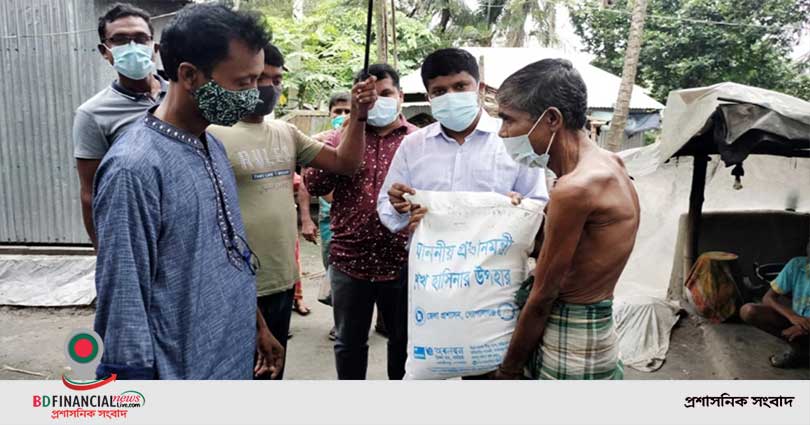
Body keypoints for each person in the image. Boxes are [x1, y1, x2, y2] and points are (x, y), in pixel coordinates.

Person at [92, 4, 283, 380]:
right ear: (190, 75)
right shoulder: (134, 168)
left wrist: (257, 326)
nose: (254, 94)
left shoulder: (212, 145)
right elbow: (123, 299)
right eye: (243, 82)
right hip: (178, 370)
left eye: (258, 80)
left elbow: (230, 252)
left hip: (230, 356)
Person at [208, 44, 377, 379]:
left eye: (277, 79)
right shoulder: (213, 135)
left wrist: (358, 115)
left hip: (282, 278)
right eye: (261, 78)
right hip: (237, 283)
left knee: (272, 371)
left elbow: (345, 163)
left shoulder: (286, 132)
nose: (270, 87)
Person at [488, 58, 640, 380]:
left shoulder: (575, 188)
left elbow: (543, 295)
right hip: (595, 329)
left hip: (571, 335)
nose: (502, 132)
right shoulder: (608, 163)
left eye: (508, 119)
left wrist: (509, 368)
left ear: (552, 119)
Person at [305, 64, 417, 380]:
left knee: (403, 343)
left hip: (403, 262)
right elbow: (313, 185)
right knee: (349, 344)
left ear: (400, 96)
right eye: (369, 96)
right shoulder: (339, 138)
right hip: (349, 263)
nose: (378, 101)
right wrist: (355, 121)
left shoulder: (419, 141)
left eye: (386, 94)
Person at [378, 47, 547, 237]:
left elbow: (538, 203)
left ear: (480, 88)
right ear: (429, 98)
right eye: (439, 91)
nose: (450, 96)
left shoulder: (513, 141)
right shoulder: (412, 145)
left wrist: (519, 207)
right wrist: (400, 209)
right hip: (430, 260)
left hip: (496, 260)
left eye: (460, 86)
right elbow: (386, 205)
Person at [74, 3, 167, 248]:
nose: (133, 47)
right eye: (120, 40)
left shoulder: (182, 95)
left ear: (154, 48)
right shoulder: (93, 114)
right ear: (105, 51)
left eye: (140, 38)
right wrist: (103, 250)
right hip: (136, 231)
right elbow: (90, 193)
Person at [300, 92, 351, 341]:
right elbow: (304, 184)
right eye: (337, 111)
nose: (342, 116)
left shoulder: (360, 142)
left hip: (351, 220)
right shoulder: (318, 143)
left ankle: (349, 322)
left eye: (347, 111)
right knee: (332, 270)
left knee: (349, 273)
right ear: (329, 114)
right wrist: (306, 220)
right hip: (327, 218)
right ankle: (340, 321)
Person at [740, 239, 810, 368]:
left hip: (805, 325)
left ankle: (802, 350)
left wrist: (805, 326)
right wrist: (791, 316)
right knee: (748, 310)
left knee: (798, 331)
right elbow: (768, 298)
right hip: (798, 320)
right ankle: (800, 350)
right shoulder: (797, 265)